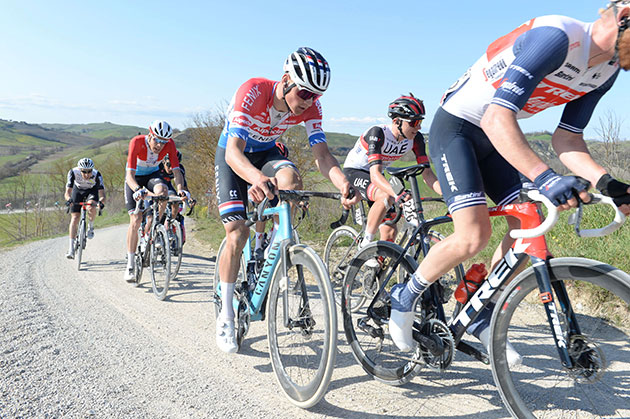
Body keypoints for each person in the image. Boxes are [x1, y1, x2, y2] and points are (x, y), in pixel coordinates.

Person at [388, 2, 630, 365]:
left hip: (498, 136)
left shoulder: (607, 71)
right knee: (473, 234)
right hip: (459, 128)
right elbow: (495, 117)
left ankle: (479, 303)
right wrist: (546, 178)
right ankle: (404, 296)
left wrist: (609, 184)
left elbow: (567, 140)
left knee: (526, 222)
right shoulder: (559, 38)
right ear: (624, 14)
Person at [214, 47, 359, 353]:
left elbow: (322, 156)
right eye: (305, 93)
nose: (309, 102)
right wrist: (255, 179)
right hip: (233, 155)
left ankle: (268, 244)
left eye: (317, 96)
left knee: (291, 181)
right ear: (286, 81)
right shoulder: (253, 91)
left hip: (267, 152)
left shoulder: (311, 108)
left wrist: (343, 181)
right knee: (237, 232)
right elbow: (233, 153)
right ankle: (226, 313)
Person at [343, 93, 441, 258]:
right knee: (386, 196)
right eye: (414, 122)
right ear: (397, 121)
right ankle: (365, 245)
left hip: (378, 174)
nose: (418, 127)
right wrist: (398, 193)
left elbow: (427, 173)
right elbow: (374, 175)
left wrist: (447, 193)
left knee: (390, 231)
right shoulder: (378, 133)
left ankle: (376, 271)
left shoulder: (416, 139)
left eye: (420, 122)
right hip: (356, 171)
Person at [124, 120, 187, 281]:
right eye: (157, 140)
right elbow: (129, 176)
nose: (159, 145)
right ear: (150, 135)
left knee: (163, 192)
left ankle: (152, 230)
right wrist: (137, 190)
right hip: (135, 179)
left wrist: (181, 189)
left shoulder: (169, 144)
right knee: (136, 219)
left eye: (163, 142)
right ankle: (130, 265)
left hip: (152, 176)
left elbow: (176, 171)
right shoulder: (137, 142)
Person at [64, 158, 106, 259]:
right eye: (84, 172)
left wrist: (100, 202)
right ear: (79, 170)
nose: (87, 174)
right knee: (74, 218)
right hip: (77, 191)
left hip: (91, 191)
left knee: (91, 206)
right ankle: (71, 249)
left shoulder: (97, 175)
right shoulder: (73, 172)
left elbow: (102, 194)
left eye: (89, 171)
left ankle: (90, 227)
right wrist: (69, 199)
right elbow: (67, 192)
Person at [159, 150, 191, 244]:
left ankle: (168, 224)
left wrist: (189, 198)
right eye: (168, 164)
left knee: (175, 201)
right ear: (163, 161)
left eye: (174, 164)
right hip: (155, 186)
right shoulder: (158, 166)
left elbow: (184, 187)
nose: (171, 168)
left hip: (168, 187)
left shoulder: (179, 169)